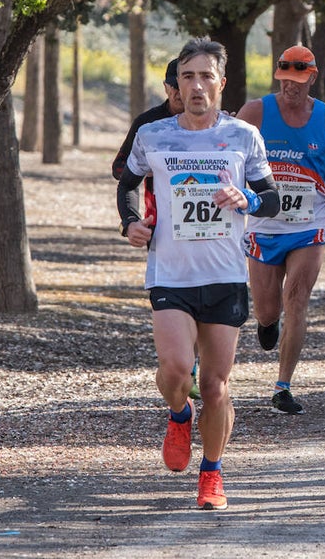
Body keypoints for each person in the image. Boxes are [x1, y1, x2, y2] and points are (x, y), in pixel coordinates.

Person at [116, 38, 279, 510]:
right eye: (188, 76)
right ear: (177, 84)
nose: (197, 85)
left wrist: (247, 198)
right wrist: (131, 222)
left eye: (206, 76)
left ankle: (211, 472)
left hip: (225, 275)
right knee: (174, 370)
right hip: (170, 272)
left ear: (221, 83)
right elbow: (128, 183)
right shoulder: (154, 135)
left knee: (215, 385)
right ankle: (178, 413)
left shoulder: (243, 136)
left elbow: (270, 198)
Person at [236, 45, 325, 415]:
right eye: (285, 79)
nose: (290, 86)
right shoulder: (255, 112)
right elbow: (229, 154)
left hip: (309, 223)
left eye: (298, 80)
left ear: (312, 78)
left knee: (297, 299)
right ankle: (268, 323)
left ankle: (282, 386)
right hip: (264, 223)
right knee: (268, 311)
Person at [112, 58, 201, 401]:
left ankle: (195, 367)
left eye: (185, 84)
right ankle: (183, 366)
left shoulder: (213, 124)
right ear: (167, 87)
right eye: (174, 86)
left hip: (207, 228)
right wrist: (154, 167)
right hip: (161, 224)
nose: (180, 93)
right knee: (178, 296)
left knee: (203, 296)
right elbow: (121, 170)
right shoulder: (148, 123)